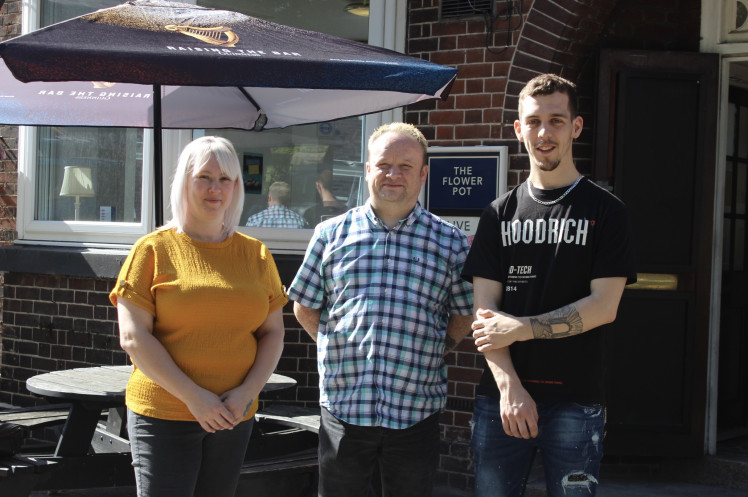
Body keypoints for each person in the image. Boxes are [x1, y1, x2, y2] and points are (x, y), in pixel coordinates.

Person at [461, 74, 637, 497]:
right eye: (534, 121)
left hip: (576, 401)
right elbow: (485, 316)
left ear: (576, 127)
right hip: (501, 400)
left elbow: (604, 306)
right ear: (519, 129)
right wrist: (511, 389)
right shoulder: (498, 214)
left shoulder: (607, 212)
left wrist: (522, 327)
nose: (545, 133)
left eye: (557, 120)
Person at [288, 122, 474, 497]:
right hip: (344, 408)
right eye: (384, 164)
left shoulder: (450, 242)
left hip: (415, 410)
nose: (393, 174)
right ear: (368, 169)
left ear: (423, 174)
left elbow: (464, 313)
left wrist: (439, 349)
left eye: (405, 166)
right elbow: (304, 307)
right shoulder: (330, 234)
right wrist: (336, 347)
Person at [109, 136, 287, 497]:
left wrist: (248, 393)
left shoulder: (256, 254)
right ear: (184, 181)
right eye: (204, 177)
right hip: (165, 414)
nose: (215, 188)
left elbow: (273, 333)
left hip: (234, 414)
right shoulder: (152, 249)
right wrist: (194, 397)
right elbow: (133, 337)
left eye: (225, 179)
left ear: (237, 186)